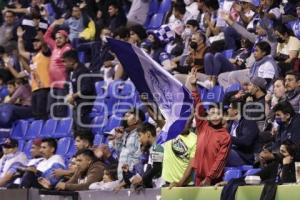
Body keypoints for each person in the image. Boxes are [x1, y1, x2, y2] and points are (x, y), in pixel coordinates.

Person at [171, 68, 231, 187]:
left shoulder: (225, 137)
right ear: (207, 116)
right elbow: (198, 105)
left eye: (218, 113)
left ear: (223, 116)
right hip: (198, 178)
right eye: (212, 113)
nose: (215, 117)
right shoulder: (203, 126)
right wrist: (193, 87)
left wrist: (209, 178)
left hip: (214, 182)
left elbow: (220, 161)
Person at [43, 19, 72, 118]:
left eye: (60, 38)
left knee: (60, 110)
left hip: (62, 85)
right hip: (53, 84)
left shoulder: (67, 48)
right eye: (56, 38)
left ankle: (60, 132)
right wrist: (53, 24)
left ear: (66, 39)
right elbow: (46, 37)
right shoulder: (55, 47)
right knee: (49, 109)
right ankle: (51, 131)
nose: (57, 40)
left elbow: (66, 60)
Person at [62, 49, 96, 130]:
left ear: (72, 61)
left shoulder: (83, 71)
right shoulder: (73, 72)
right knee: (76, 131)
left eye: (65, 61)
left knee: (82, 132)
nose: (64, 64)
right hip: (77, 106)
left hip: (84, 106)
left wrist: (73, 96)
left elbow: (87, 89)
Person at [162, 118, 197, 186]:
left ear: (190, 123)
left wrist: (179, 183)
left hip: (185, 185)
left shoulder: (195, 139)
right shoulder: (170, 130)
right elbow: (156, 117)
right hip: (167, 184)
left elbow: (191, 166)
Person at [129, 122, 164, 188]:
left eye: (140, 135)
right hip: (157, 186)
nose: (139, 140)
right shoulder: (152, 149)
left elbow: (157, 167)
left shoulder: (157, 147)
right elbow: (151, 168)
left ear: (148, 134)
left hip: (162, 186)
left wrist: (142, 179)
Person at [113, 108, 145, 180]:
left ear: (136, 119)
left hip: (132, 178)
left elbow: (139, 157)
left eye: (127, 116)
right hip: (123, 177)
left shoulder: (140, 134)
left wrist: (130, 175)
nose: (124, 119)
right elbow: (120, 156)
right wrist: (118, 139)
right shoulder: (127, 135)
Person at [226, 99, 259, 166]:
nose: (227, 110)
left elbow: (246, 141)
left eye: (229, 108)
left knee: (225, 152)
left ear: (235, 111)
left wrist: (227, 137)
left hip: (243, 157)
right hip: (232, 152)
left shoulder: (249, 122)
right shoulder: (230, 123)